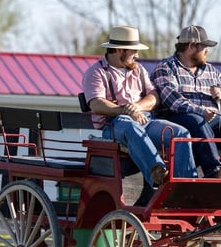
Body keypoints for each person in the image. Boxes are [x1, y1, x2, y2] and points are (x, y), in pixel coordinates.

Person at [82, 25, 198, 188]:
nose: (137, 54)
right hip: (114, 124)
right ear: (120, 50)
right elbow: (96, 104)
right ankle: (157, 172)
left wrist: (136, 107)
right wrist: (125, 110)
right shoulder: (96, 72)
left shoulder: (138, 70)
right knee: (130, 126)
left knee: (180, 133)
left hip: (145, 119)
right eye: (133, 50)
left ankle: (186, 187)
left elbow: (154, 96)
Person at [151, 25, 221, 178]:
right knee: (198, 121)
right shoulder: (166, 68)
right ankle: (214, 172)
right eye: (204, 47)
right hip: (178, 121)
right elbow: (174, 102)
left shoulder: (211, 71)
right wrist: (201, 111)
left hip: (213, 121)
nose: (207, 51)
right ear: (191, 47)